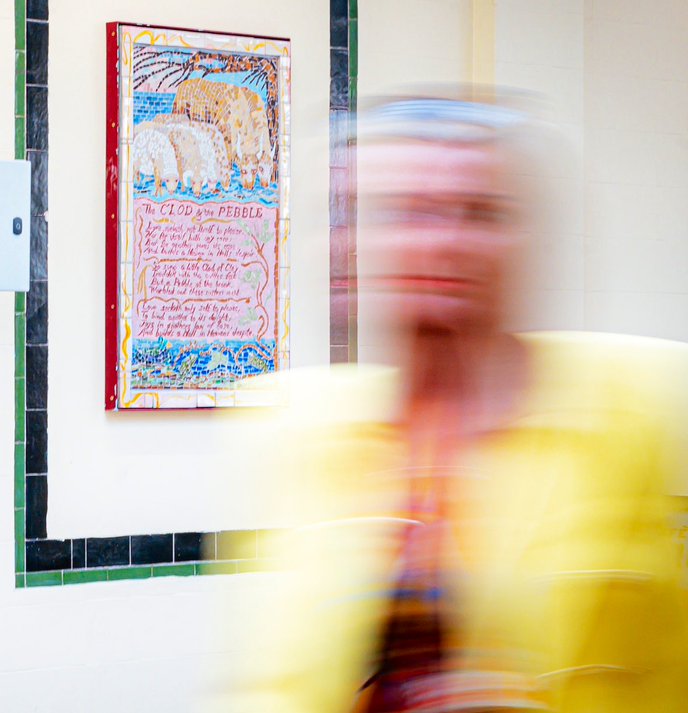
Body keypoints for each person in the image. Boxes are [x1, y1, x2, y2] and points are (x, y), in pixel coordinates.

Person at [211, 92, 688, 713]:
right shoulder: (303, 430)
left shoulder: (626, 411)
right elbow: (274, 680)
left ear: (526, 239)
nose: (446, 241)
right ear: (354, 241)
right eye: (411, 211)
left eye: (481, 212)